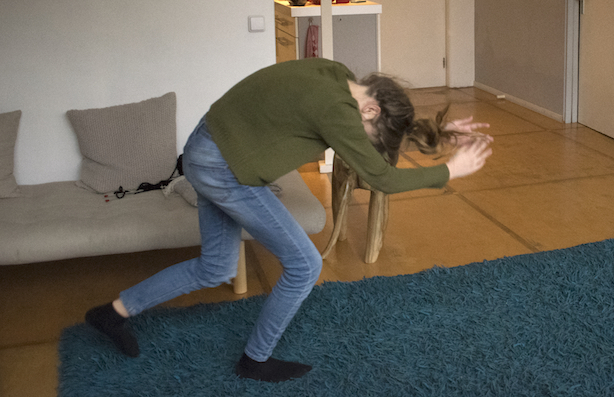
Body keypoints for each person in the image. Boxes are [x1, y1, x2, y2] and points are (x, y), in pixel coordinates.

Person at [83, 57, 493, 383]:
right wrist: (449, 171)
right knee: (305, 264)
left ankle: (112, 313)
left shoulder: (336, 75)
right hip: (222, 167)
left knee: (215, 267)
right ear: (371, 108)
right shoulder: (336, 109)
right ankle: (254, 360)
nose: (361, 141)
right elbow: (382, 178)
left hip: (205, 150)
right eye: (367, 134)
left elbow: (374, 145)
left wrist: (438, 134)